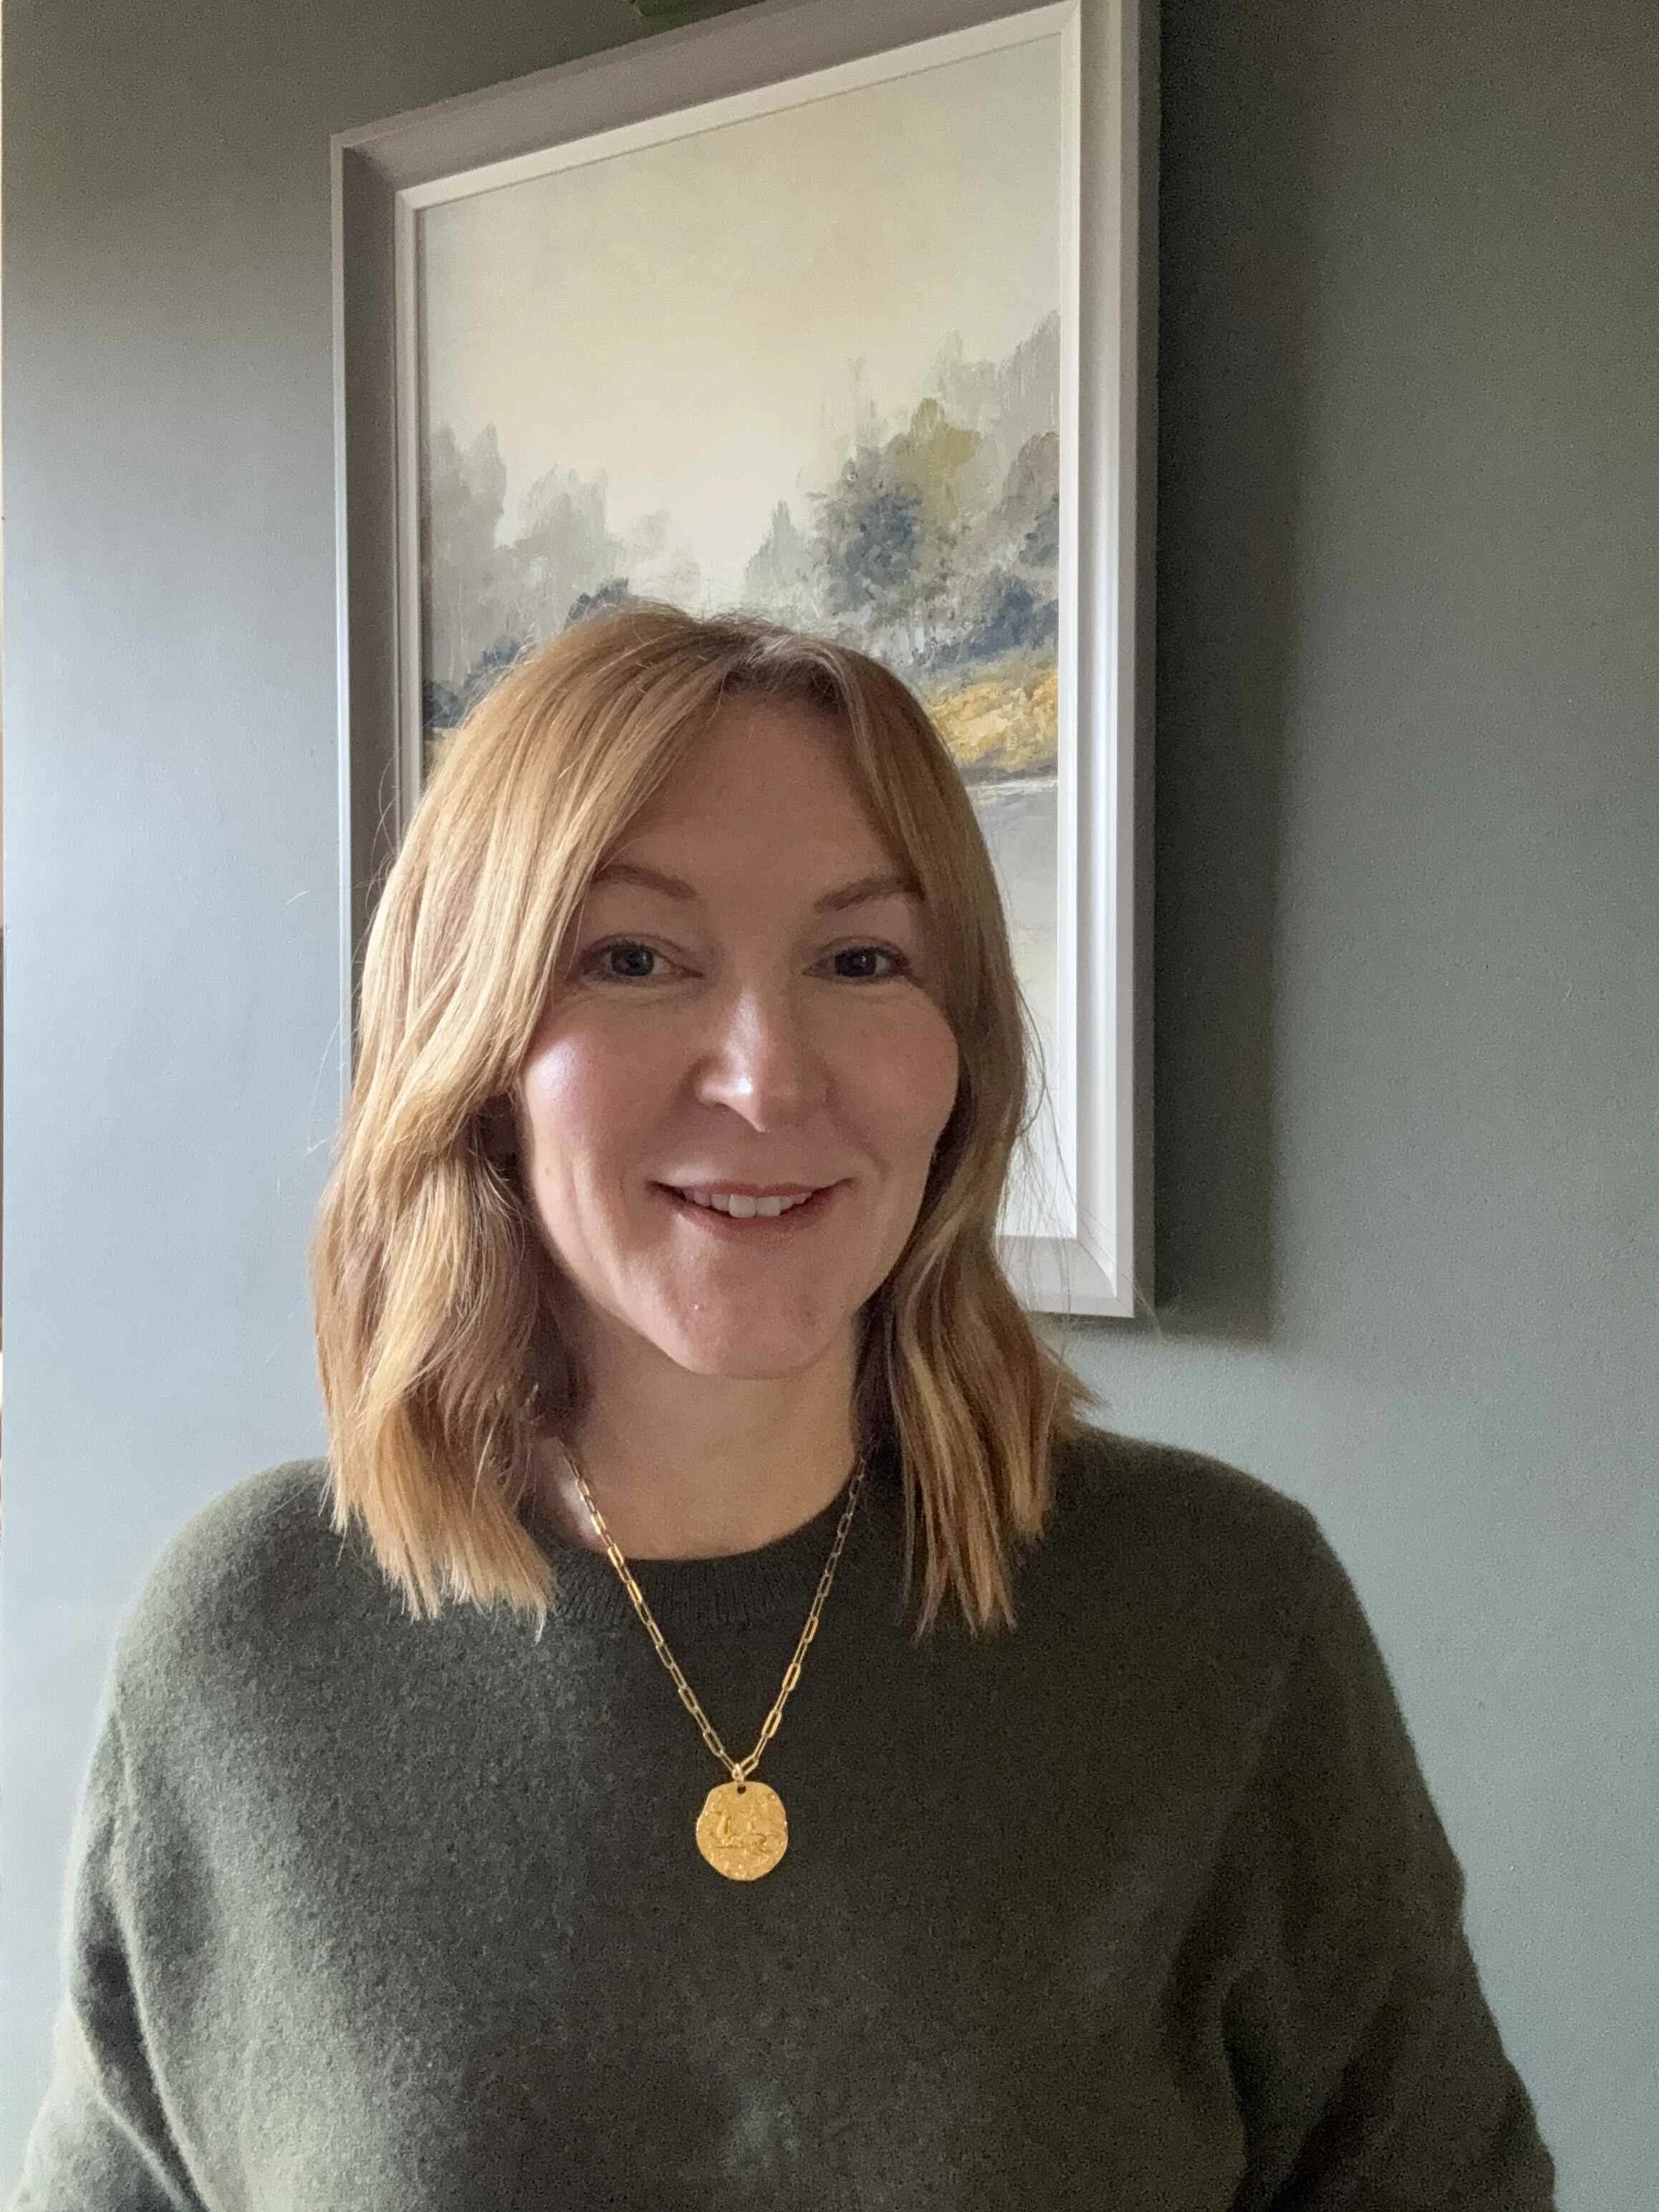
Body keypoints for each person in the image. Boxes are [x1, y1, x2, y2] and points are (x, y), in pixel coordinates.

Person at [10, 603, 1555, 2209]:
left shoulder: (1226, 1622)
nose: (764, 1075)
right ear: (471, 1048)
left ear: (961, 1059)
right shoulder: (240, 1649)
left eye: (862, 958)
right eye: (633, 957)